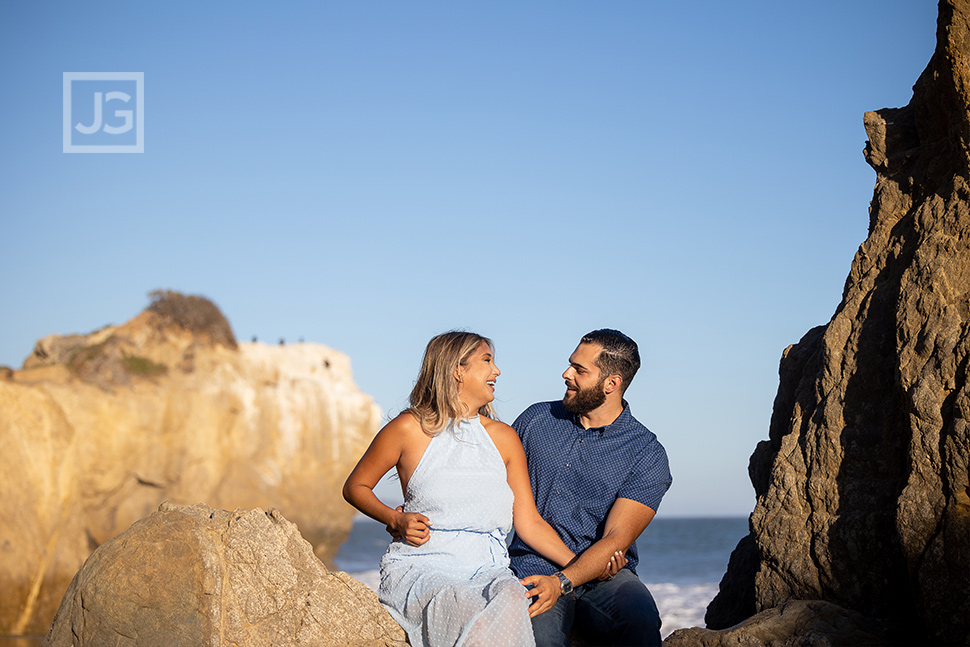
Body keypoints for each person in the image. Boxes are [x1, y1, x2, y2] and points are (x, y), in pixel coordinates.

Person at [343, 331, 602, 647]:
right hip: (425, 568)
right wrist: (394, 519)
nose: (497, 371)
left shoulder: (505, 438)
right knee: (464, 606)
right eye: (487, 361)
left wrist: (585, 567)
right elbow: (356, 486)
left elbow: (529, 523)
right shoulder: (409, 428)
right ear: (457, 370)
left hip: (489, 571)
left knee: (510, 598)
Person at [509, 329, 673, 647]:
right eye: (571, 364)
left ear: (611, 383)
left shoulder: (646, 452)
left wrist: (564, 581)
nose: (566, 374)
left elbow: (617, 539)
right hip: (533, 565)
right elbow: (490, 480)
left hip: (605, 575)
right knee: (541, 639)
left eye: (579, 370)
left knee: (640, 618)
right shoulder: (536, 420)